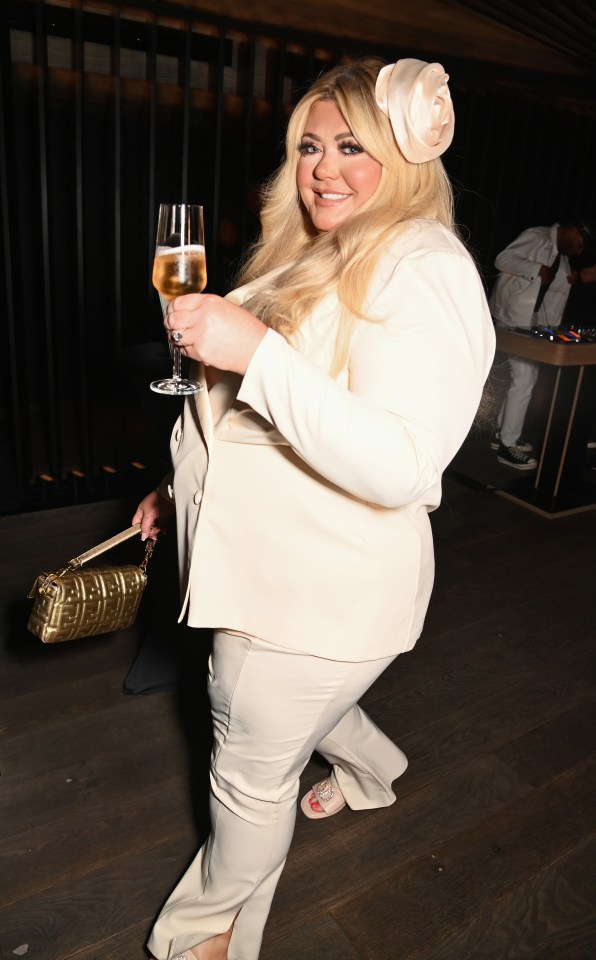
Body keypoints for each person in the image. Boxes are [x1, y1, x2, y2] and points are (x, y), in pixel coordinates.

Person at [133, 57, 495, 960]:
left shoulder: (422, 263)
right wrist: (176, 488)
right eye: (309, 145)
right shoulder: (320, 246)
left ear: (405, 158)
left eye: (350, 146)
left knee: (250, 775)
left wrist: (256, 352)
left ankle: (200, 938)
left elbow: (404, 461)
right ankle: (378, 774)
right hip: (278, 569)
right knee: (301, 713)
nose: (322, 168)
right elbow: (255, 422)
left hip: (311, 591)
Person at [488, 219, 595, 469]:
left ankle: (501, 435)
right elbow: (502, 260)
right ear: (574, 231)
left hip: (532, 327)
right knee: (524, 379)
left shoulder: (564, 258)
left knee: (525, 380)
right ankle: (507, 446)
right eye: (581, 245)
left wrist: (551, 331)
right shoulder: (536, 236)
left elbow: (552, 299)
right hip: (511, 319)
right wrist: (536, 268)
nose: (580, 251)